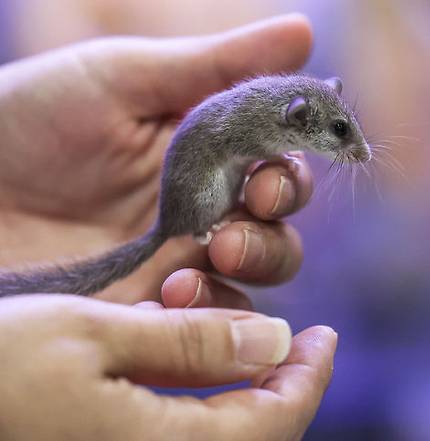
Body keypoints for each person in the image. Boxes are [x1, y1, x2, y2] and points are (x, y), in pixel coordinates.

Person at [0, 14, 337, 441]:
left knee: (246, 229)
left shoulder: (281, 108)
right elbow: (244, 144)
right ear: (298, 119)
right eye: (339, 134)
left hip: (194, 187)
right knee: (228, 218)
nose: (350, 147)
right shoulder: (264, 119)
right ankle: (203, 226)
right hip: (194, 193)